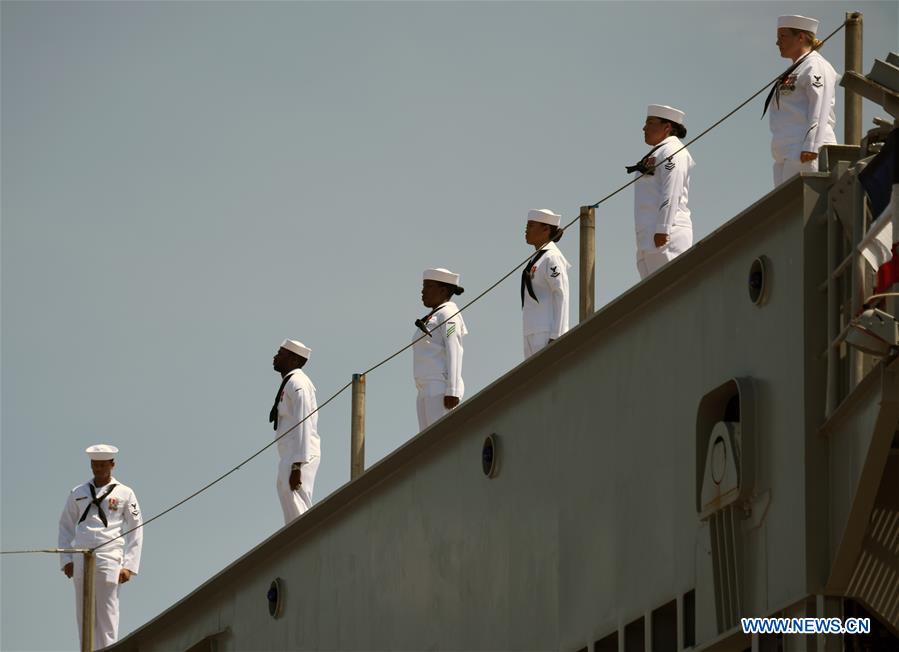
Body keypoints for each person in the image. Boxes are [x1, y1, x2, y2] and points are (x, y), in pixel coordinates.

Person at [58, 444, 143, 651]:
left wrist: (130, 565)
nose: (97, 469)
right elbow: (65, 526)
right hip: (81, 554)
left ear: (112, 465)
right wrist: (66, 560)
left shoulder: (125, 492)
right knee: (84, 613)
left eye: (102, 465)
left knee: (107, 613)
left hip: (109, 555)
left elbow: (136, 528)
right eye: (94, 465)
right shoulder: (78, 491)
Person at [766, 14, 838, 187]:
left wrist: (812, 145)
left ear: (801, 37)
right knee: (783, 208)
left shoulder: (815, 65)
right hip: (786, 152)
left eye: (782, 37)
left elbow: (820, 105)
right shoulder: (797, 68)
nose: (777, 43)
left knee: (805, 209)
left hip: (804, 151)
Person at [629, 104, 695, 280]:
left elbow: (672, 190)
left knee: (672, 291)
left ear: (667, 127)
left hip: (666, 237)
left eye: (650, 123)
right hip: (649, 238)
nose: (644, 128)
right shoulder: (657, 152)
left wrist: (663, 229)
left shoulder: (673, 151)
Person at [270, 339, 320, 524]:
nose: (275, 357)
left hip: (299, 455)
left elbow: (304, 422)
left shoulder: (298, 383)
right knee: (290, 502)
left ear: (293, 360)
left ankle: (306, 544)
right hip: (290, 455)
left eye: (281, 353)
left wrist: (297, 465)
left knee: (298, 505)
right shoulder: (290, 382)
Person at [413, 267, 468, 430]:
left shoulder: (448, 315)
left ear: (443, 290)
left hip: (439, 387)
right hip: (424, 388)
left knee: (440, 437)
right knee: (426, 443)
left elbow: (454, 349)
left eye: (428, 287)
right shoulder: (434, 316)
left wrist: (453, 389)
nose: (423, 292)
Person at [522, 209, 570, 358]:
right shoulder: (536, 258)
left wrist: (557, 335)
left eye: (531, 225)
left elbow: (561, 294)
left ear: (546, 229)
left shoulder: (552, 258)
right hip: (532, 330)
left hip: (546, 331)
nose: (526, 230)